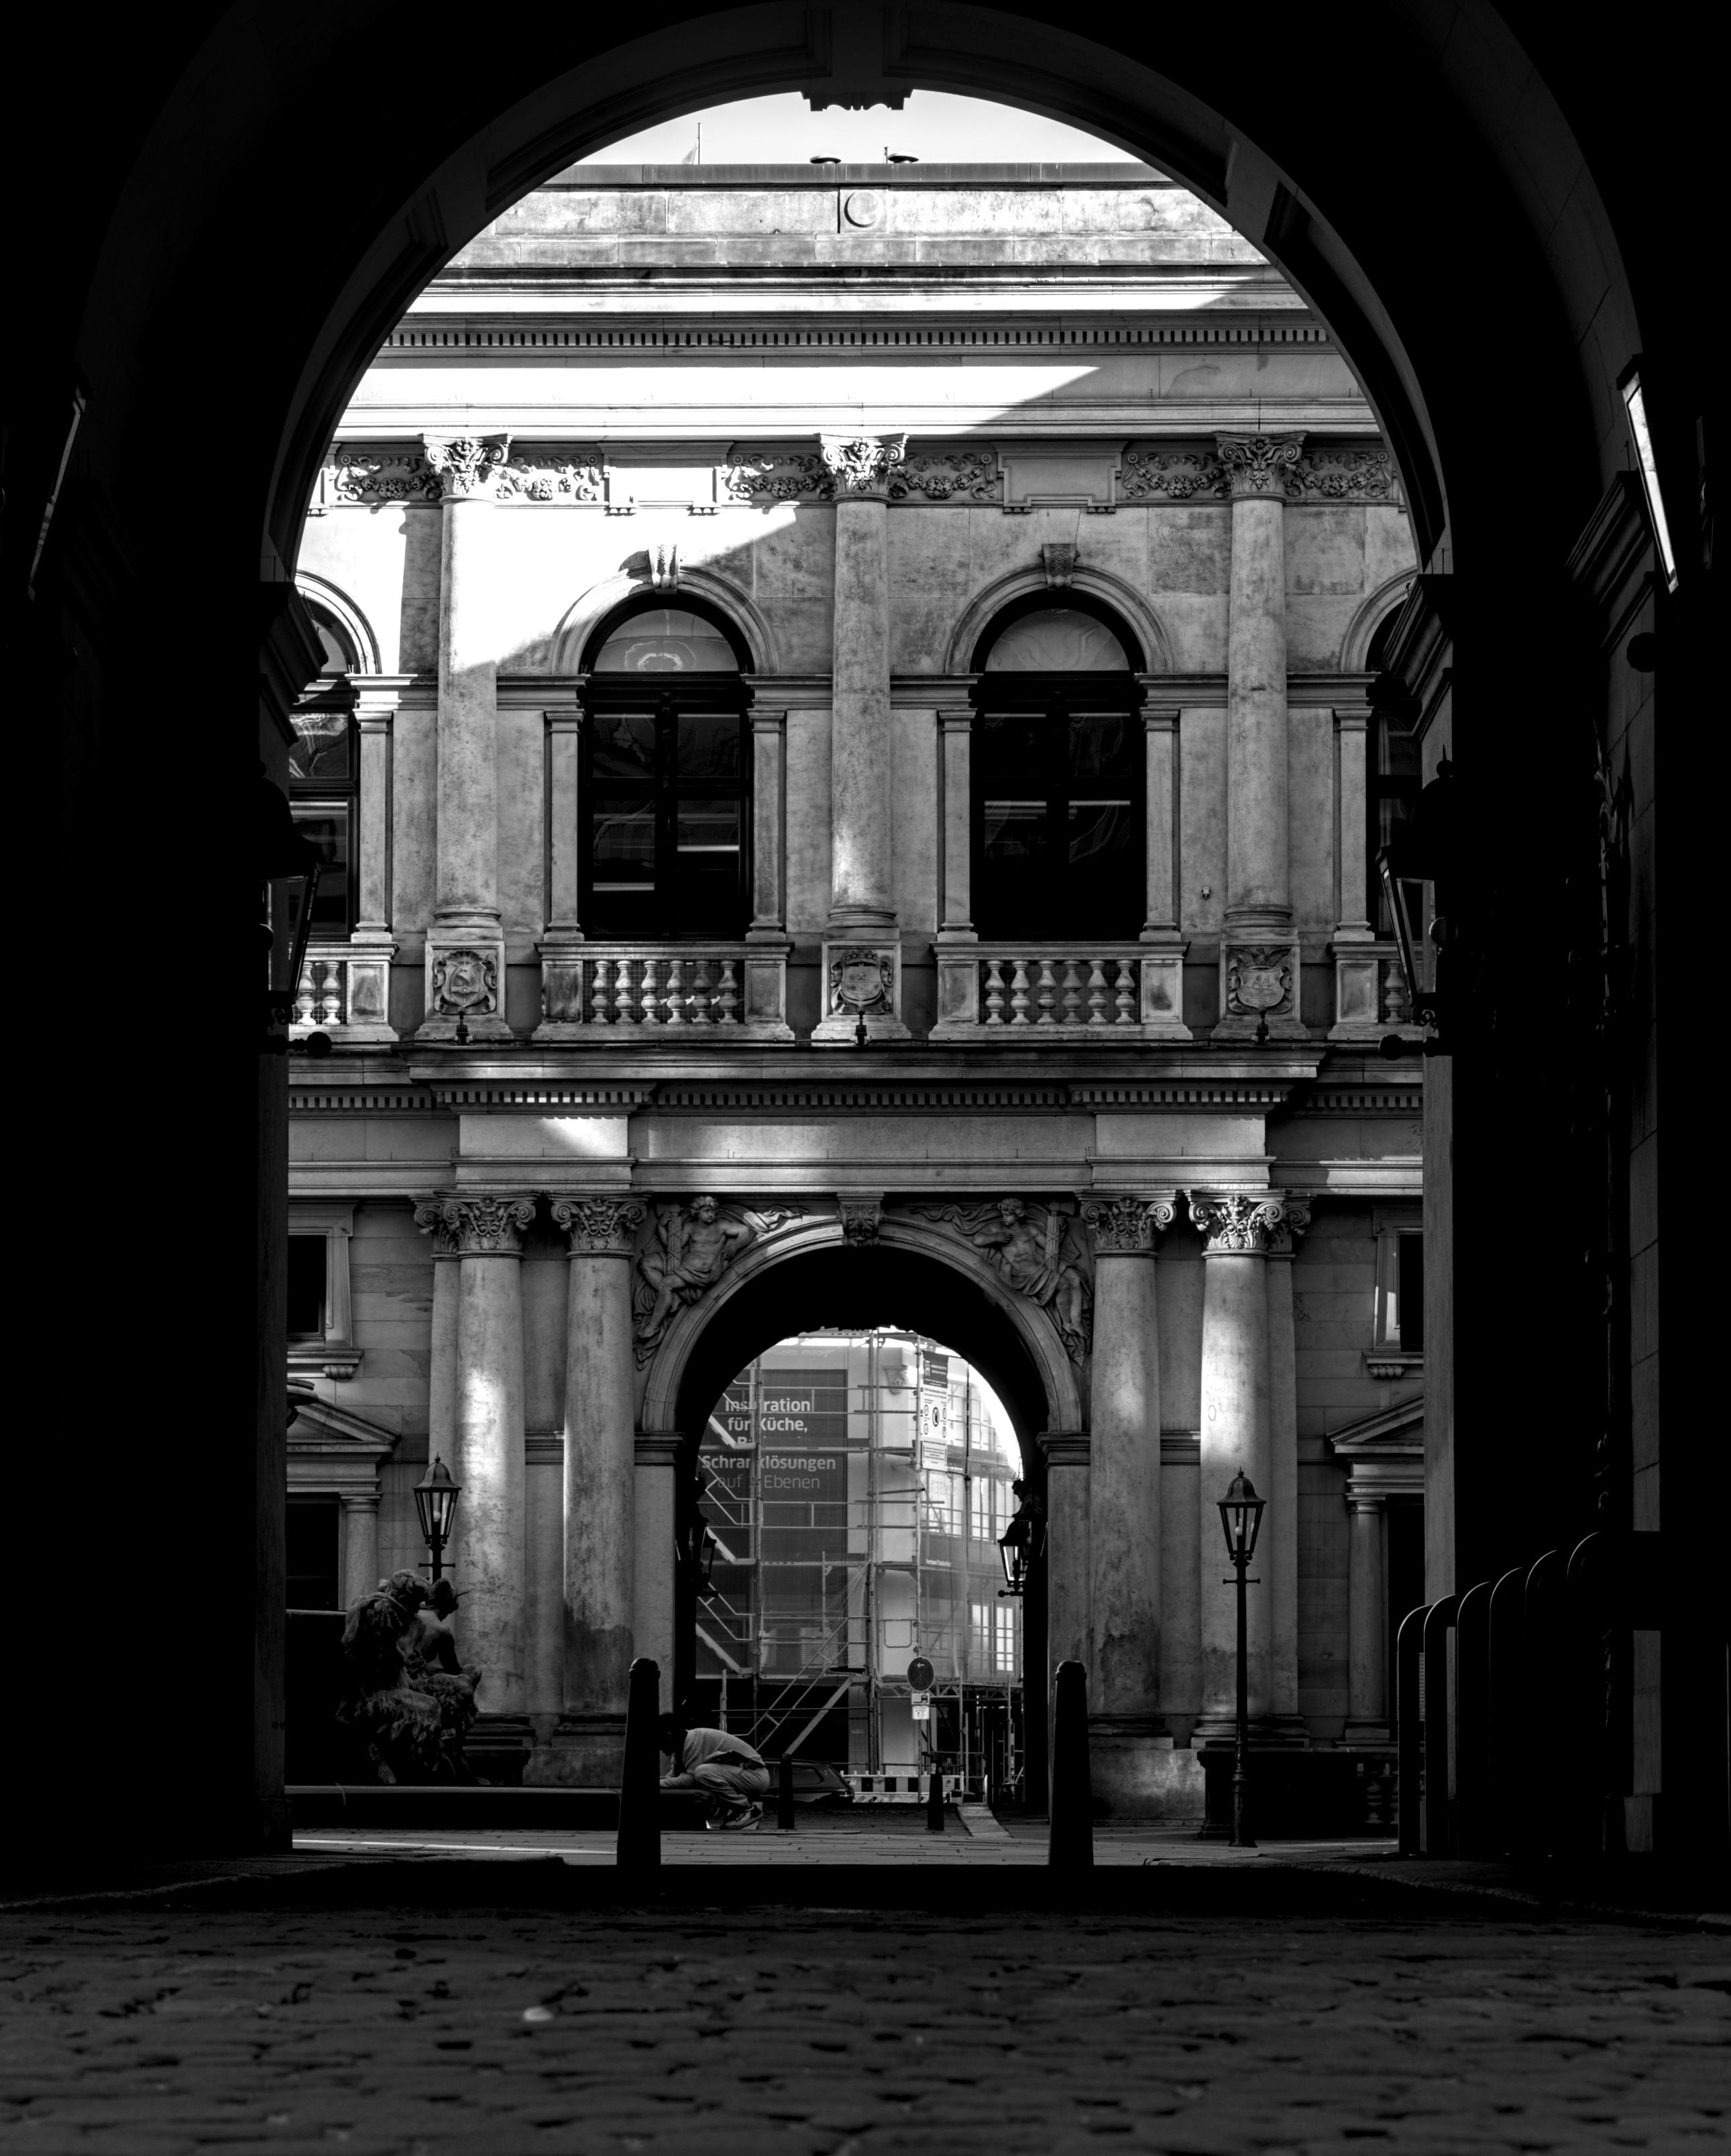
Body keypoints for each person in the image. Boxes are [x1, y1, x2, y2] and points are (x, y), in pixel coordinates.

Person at [657, 1713, 771, 1831]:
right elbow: (673, 1777)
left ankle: (747, 1809)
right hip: (744, 1774)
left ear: (668, 1736)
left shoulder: (695, 1742)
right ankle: (740, 1809)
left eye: (658, 1742)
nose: (660, 1749)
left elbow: (690, 1779)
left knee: (703, 1773)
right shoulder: (681, 1747)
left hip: (755, 1776)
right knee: (702, 1773)